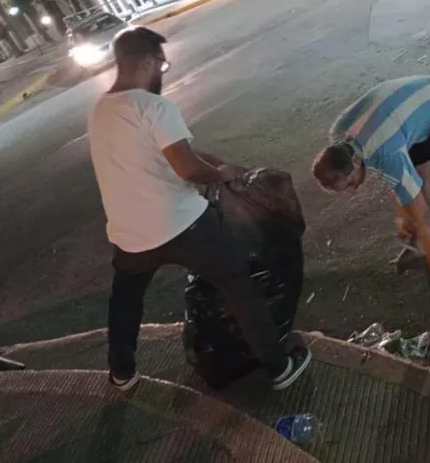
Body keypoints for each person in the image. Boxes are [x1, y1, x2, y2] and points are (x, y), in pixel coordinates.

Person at [88, 26, 310, 391]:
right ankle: (279, 366)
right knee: (238, 283)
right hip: (183, 225)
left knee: (126, 299)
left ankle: (121, 372)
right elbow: (188, 168)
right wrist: (220, 173)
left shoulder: (101, 111)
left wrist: (219, 164)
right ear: (146, 61)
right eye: (161, 63)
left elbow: (177, 152)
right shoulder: (153, 107)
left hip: (130, 234)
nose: (162, 70)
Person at [311, 76, 430, 334]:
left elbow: (424, 218)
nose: (350, 192)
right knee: (417, 186)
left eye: (348, 184)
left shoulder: (385, 153)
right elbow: (398, 184)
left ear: (356, 162)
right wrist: (404, 216)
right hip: (404, 117)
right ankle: (416, 246)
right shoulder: (340, 138)